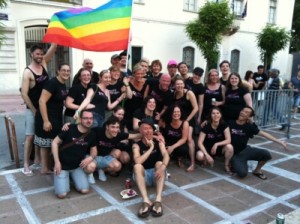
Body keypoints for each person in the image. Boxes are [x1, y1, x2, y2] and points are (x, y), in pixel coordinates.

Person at [20, 43, 57, 176]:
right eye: (37, 54)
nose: (40, 56)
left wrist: (55, 41)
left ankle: (38, 160)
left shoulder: (44, 64)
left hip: (45, 107)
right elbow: (24, 93)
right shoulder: (27, 72)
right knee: (30, 136)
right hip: (33, 109)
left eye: (41, 54)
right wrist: (34, 110)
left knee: (40, 134)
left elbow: (52, 50)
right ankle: (25, 164)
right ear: (31, 54)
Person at [228, 106, 288, 179]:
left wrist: (280, 142)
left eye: (246, 112)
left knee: (266, 154)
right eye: (243, 110)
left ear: (249, 117)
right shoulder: (230, 123)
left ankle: (257, 170)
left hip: (245, 150)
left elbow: (264, 134)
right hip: (235, 154)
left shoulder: (249, 127)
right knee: (242, 174)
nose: (243, 112)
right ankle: (238, 162)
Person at [52, 110, 97, 198]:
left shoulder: (92, 134)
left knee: (84, 190)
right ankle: (64, 177)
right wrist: (57, 162)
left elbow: (94, 150)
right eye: (86, 118)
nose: (88, 120)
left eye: (91, 118)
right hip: (63, 166)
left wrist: (91, 157)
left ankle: (72, 177)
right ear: (80, 119)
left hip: (77, 166)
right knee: (62, 195)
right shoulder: (69, 128)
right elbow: (54, 143)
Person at [34, 63, 70, 174]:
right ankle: (44, 168)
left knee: (51, 142)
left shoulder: (63, 84)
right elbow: (42, 101)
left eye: (68, 71)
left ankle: (47, 167)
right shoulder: (52, 83)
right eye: (63, 70)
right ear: (58, 71)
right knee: (45, 143)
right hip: (47, 117)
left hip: (56, 118)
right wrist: (45, 121)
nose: (66, 73)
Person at [132, 118, 169, 218]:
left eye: (150, 128)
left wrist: (163, 167)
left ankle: (158, 200)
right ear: (140, 131)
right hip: (144, 178)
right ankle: (146, 200)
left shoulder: (159, 142)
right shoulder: (136, 145)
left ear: (153, 130)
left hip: (158, 174)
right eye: (145, 128)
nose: (148, 131)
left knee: (159, 163)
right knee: (137, 166)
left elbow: (166, 156)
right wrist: (151, 148)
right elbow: (138, 161)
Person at [91, 116, 141, 182]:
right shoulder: (98, 131)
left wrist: (153, 135)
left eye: (117, 127)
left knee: (118, 166)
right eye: (113, 127)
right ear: (107, 127)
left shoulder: (118, 135)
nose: (115, 130)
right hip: (93, 156)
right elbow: (84, 132)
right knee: (89, 167)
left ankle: (101, 169)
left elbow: (136, 136)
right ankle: (90, 172)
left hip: (104, 156)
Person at [196, 107, 233, 175]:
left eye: (217, 113)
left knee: (229, 147)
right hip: (207, 148)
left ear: (221, 115)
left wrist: (216, 144)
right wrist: (207, 155)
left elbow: (228, 140)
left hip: (218, 148)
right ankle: (205, 160)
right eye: (213, 113)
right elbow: (199, 142)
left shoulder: (224, 125)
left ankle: (226, 165)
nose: (216, 115)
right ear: (210, 115)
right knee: (199, 155)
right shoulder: (206, 126)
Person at [172, 77, 198, 172]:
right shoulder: (174, 94)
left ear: (184, 84)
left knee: (189, 138)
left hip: (189, 120)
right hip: (179, 119)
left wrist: (187, 120)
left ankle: (192, 163)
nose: (179, 86)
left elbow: (196, 108)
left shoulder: (189, 93)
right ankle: (180, 157)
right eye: (177, 84)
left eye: (181, 84)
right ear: (174, 85)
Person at [124, 64, 148, 130]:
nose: (140, 76)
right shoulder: (129, 82)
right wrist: (126, 84)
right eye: (137, 74)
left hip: (139, 112)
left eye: (141, 74)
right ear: (134, 74)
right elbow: (129, 97)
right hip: (129, 110)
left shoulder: (146, 82)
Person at [185, 67, 205, 132]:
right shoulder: (188, 81)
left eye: (199, 75)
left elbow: (200, 103)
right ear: (193, 74)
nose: (197, 76)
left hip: (193, 110)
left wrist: (199, 117)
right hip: (184, 107)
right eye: (196, 74)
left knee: (191, 129)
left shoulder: (201, 87)